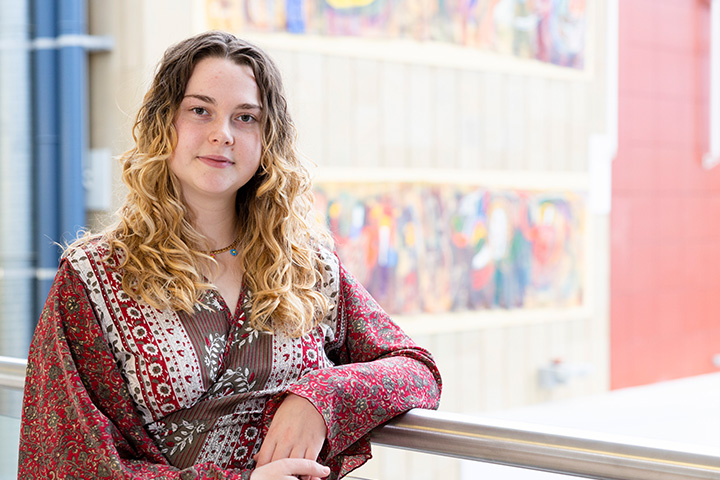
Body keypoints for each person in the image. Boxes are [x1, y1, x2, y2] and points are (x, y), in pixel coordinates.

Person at [17, 31, 441, 479]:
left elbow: (417, 371)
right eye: (200, 111)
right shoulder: (94, 277)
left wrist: (322, 398)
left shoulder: (305, 265)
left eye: (245, 118)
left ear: (267, 138)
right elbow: (64, 459)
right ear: (166, 123)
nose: (223, 134)